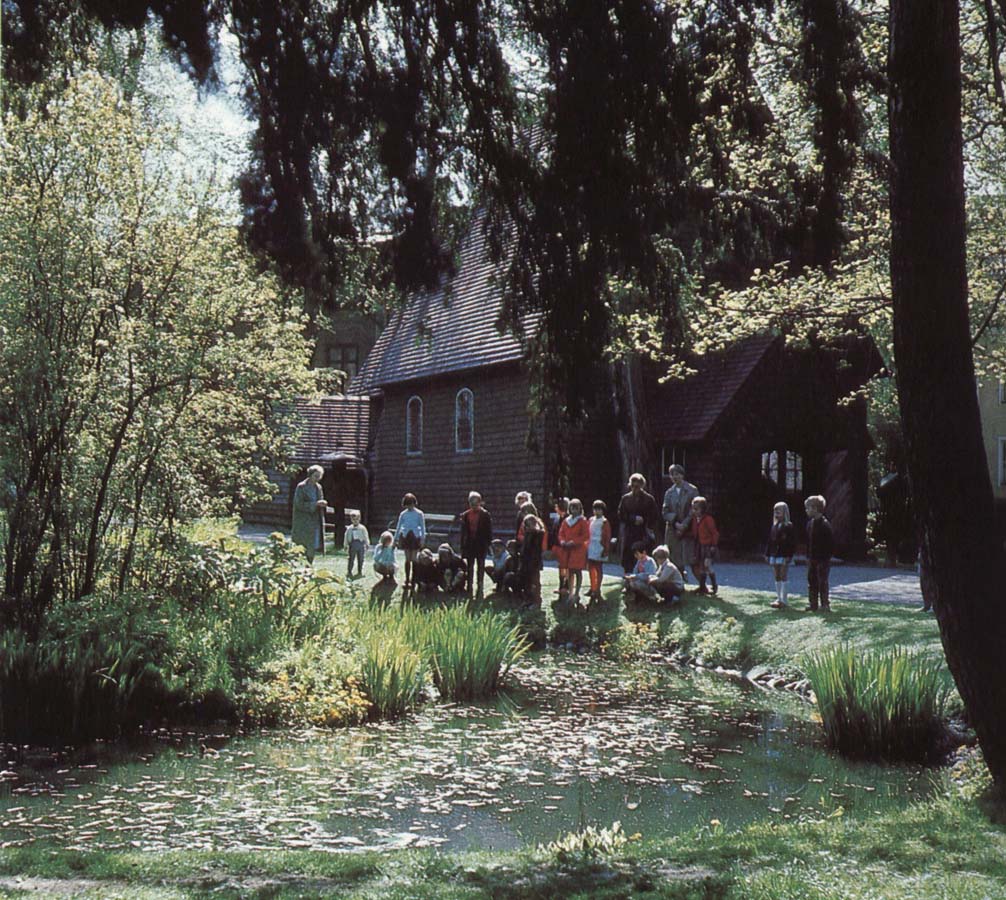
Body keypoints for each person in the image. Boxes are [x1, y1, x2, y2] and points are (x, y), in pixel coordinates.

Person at [661, 464, 698, 579]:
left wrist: (684, 524)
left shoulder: (692, 490)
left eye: (676, 474)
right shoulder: (669, 492)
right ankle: (679, 579)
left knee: (691, 557)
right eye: (672, 474)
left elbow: (694, 509)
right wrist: (676, 523)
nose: (674, 477)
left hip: (688, 527)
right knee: (674, 556)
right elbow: (665, 512)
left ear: (682, 475)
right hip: (673, 528)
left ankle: (703, 584)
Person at [617, 473, 659, 573]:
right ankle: (628, 580)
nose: (634, 488)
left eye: (637, 486)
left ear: (642, 485)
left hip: (643, 532)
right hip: (630, 532)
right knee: (628, 557)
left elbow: (655, 515)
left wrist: (645, 522)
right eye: (632, 485)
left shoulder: (649, 499)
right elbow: (621, 514)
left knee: (643, 556)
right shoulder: (625, 498)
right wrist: (633, 518)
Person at [556, 498, 590, 603]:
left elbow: (586, 535)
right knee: (569, 571)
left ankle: (577, 593)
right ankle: (570, 593)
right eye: (572, 507)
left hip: (578, 549)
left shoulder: (583, 521)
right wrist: (562, 541)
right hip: (567, 549)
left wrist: (574, 542)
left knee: (577, 571)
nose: (574, 510)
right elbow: (561, 533)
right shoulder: (566, 521)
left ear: (580, 509)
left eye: (576, 508)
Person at [291, 464, 327, 562]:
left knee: (312, 544)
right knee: (301, 544)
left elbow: (319, 500)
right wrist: (314, 504)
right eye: (316, 476)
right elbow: (298, 504)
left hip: (314, 520)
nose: (317, 479)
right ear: (310, 475)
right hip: (303, 520)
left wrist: (322, 504)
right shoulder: (301, 487)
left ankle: (309, 565)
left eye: (319, 476)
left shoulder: (318, 487)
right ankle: (295, 565)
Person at [805, 494, 834, 612]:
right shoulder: (810, 524)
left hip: (823, 559)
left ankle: (825, 604)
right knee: (811, 580)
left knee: (822, 581)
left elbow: (830, 544)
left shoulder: (825, 525)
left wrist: (826, 558)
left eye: (808, 508)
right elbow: (808, 542)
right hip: (812, 558)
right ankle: (813, 604)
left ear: (815, 509)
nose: (806, 511)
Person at [459, 491, 493, 593]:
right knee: (470, 566)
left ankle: (480, 585)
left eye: (476, 503)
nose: (474, 506)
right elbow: (463, 532)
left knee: (481, 565)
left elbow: (489, 531)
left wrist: (489, 544)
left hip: (481, 544)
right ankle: (469, 585)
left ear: (480, 502)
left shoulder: (485, 514)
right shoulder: (465, 515)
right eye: (471, 503)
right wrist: (462, 546)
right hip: (469, 544)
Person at [507, 513, 545, 604]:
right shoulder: (531, 533)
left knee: (534, 581)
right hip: (527, 560)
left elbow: (533, 549)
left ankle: (535, 599)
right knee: (528, 580)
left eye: (527, 525)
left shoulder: (537, 534)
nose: (526, 527)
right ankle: (528, 598)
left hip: (533, 561)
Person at [765, 501, 796, 609]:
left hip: (784, 554)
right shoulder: (774, 526)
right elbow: (770, 541)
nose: (777, 513)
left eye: (779, 511)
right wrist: (767, 554)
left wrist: (789, 555)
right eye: (775, 511)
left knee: (783, 575)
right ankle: (778, 598)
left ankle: (784, 599)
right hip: (774, 554)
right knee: (777, 575)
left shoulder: (789, 526)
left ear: (785, 512)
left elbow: (792, 543)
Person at [394, 493, 426, 587]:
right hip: (406, 537)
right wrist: (395, 538)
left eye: (411, 504)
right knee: (408, 559)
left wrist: (422, 539)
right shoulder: (403, 514)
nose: (410, 506)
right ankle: (407, 579)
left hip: (415, 537)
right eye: (408, 504)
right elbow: (399, 527)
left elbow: (423, 527)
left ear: (414, 503)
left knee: (414, 558)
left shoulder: (419, 514)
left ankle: (414, 580)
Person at [690, 496, 720, 595]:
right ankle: (702, 587)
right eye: (693, 508)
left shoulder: (708, 519)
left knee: (707, 565)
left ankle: (714, 586)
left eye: (696, 509)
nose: (694, 511)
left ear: (702, 509)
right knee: (701, 566)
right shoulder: (695, 519)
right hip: (699, 545)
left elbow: (714, 533)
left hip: (707, 546)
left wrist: (713, 546)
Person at [586, 500, 612, 603]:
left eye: (599, 509)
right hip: (591, 546)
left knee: (598, 568)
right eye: (595, 509)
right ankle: (592, 587)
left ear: (603, 511)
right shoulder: (591, 520)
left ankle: (598, 589)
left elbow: (607, 537)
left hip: (599, 547)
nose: (597, 511)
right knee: (590, 568)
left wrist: (605, 549)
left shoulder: (604, 522)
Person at [343, 510, 370, 578]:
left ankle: (360, 571)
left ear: (359, 519)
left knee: (361, 558)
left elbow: (365, 536)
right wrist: (345, 545)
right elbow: (346, 537)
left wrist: (367, 544)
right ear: (351, 520)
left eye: (357, 519)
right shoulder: (349, 529)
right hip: (352, 544)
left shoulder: (362, 528)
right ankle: (349, 571)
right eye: (353, 519)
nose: (355, 521)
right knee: (351, 558)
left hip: (360, 544)